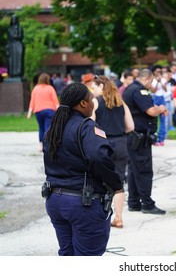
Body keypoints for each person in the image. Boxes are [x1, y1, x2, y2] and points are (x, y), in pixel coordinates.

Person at [43, 83, 123, 255]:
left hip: (55, 199)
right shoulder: (87, 127)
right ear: (83, 103)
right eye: (91, 99)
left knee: (68, 254)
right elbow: (99, 157)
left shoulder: (53, 129)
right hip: (82, 203)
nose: (94, 102)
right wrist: (116, 184)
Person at [122, 69, 169, 215]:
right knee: (143, 170)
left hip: (133, 136)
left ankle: (134, 202)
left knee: (133, 169)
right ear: (147, 79)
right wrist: (161, 108)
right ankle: (147, 204)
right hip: (139, 137)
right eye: (152, 80)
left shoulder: (130, 89)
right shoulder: (139, 91)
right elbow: (150, 111)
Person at [91, 75, 134, 228]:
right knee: (118, 182)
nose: (92, 90)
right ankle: (119, 218)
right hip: (121, 144)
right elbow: (130, 126)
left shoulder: (95, 103)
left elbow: (91, 127)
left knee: (100, 181)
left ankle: (100, 217)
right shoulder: (120, 102)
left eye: (94, 87)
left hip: (104, 145)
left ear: (101, 87)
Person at [27, 73, 59, 151]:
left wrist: (29, 112)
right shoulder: (50, 88)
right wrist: (59, 110)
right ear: (47, 79)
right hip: (49, 111)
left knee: (41, 128)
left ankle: (41, 145)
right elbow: (55, 101)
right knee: (47, 128)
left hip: (38, 111)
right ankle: (47, 145)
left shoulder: (35, 88)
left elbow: (32, 101)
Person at [150, 65, 167, 146]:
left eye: (160, 71)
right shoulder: (152, 80)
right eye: (157, 71)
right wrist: (157, 82)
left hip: (162, 98)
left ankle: (161, 138)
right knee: (154, 120)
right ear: (154, 72)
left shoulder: (163, 79)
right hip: (154, 98)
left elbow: (165, 89)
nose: (159, 73)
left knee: (163, 119)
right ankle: (154, 139)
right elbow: (153, 90)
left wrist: (160, 81)